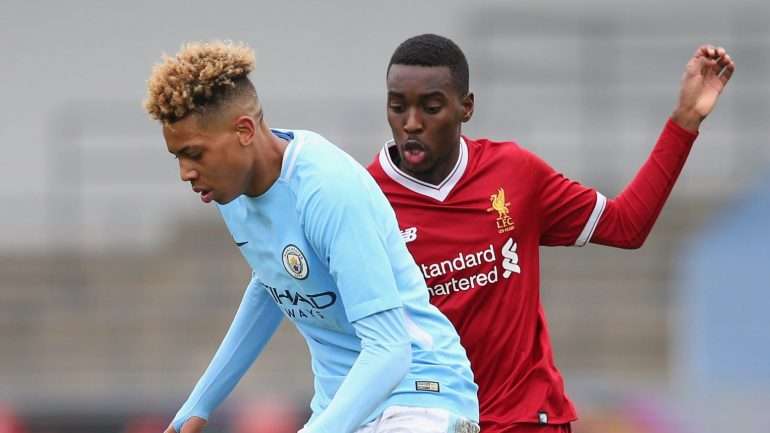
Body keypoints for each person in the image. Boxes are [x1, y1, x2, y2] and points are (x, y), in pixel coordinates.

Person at [367, 34, 734, 433]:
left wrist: (685, 120)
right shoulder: (365, 201)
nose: (412, 123)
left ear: (466, 107)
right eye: (397, 106)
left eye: (431, 107)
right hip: (429, 420)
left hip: (527, 419)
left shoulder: (514, 173)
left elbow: (627, 225)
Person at [143, 41, 480, 433]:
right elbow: (273, 283)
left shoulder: (325, 189)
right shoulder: (230, 193)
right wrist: (200, 402)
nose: (185, 172)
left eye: (195, 154)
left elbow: (390, 349)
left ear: (244, 131)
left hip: (419, 398)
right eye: (177, 157)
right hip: (340, 406)